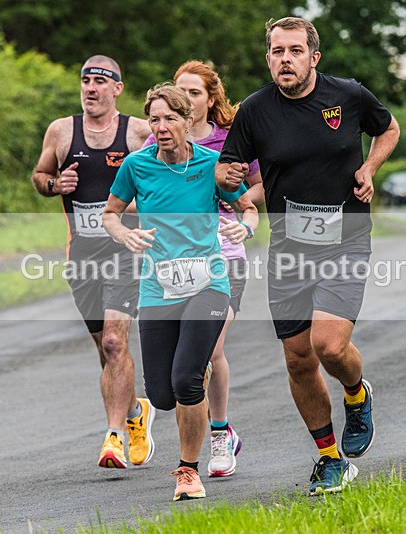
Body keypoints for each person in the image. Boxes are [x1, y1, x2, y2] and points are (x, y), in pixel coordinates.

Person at [216, 16, 400, 495]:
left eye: (295, 51)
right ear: (269, 58)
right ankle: (329, 457)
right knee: (298, 359)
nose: (285, 60)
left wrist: (370, 166)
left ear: (313, 57)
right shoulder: (254, 111)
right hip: (289, 248)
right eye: (277, 51)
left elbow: (389, 128)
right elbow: (228, 171)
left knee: (330, 346)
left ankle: (357, 395)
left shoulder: (349, 96)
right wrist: (227, 180)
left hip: (345, 237)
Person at [103, 83, 258, 501]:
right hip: (157, 288)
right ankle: (188, 386)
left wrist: (245, 226)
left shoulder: (212, 165)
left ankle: (188, 471)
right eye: (154, 119)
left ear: (188, 120)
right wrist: (124, 235)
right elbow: (111, 214)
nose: (162, 126)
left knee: (187, 379)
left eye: (170, 118)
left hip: (209, 283)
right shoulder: (136, 166)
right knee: (161, 394)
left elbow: (249, 207)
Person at [31, 55, 155, 470]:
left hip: (125, 249)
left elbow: (164, 178)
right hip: (82, 254)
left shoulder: (138, 132)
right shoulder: (61, 131)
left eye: (101, 80)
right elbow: (39, 174)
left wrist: (140, 202)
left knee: (115, 342)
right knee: (105, 351)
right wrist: (53, 184)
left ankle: (114, 438)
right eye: (85, 79)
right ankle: (135, 413)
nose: (91, 87)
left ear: (117, 88)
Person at [142, 60, 264, 478]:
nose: (187, 102)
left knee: (209, 350)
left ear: (210, 99)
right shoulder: (151, 147)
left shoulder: (227, 142)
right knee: (179, 374)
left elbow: (255, 187)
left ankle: (218, 432)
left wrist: (236, 210)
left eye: (195, 93)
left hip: (223, 258)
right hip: (170, 270)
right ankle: (194, 440)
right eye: (180, 93)